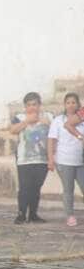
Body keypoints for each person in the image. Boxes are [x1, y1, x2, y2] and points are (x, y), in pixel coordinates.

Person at [9, 92, 51, 224]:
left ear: (39, 105)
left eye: (34, 104)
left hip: (42, 159)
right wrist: (27, 121)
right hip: (24, 159)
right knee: (24, 187)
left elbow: (55, 133)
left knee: (36, 187)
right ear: (25, 106)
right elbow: (13, 130)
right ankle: (21, 214)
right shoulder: (19, 117)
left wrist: (47, 123)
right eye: (29, 105)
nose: (32, 107)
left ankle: (33, 215)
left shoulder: (48, 117)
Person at [50, 93, 84, 226]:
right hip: (65, 160)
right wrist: (51, 159)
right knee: (68, 189)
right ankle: (70, 215)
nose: (71, 105)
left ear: (78, 104)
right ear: (64, 105)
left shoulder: (81, 117)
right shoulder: (58, 120)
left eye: (73, 102)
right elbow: (52, 139)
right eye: (68, 102)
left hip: (80, 160)